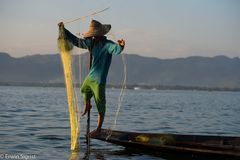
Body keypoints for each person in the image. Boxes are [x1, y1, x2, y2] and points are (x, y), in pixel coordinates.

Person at [58, 20, 125, 137]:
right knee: (84, 89)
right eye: (92, 35)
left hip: (99, 80)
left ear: (100, 35)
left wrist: (121, 46)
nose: (92, 37)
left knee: (100, 104)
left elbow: (117, 50)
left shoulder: (108, 45)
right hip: (91, 76)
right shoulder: (92, 43)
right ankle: (88, 104)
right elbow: (76, 41)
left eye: (94, 35)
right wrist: (64, 30)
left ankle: (98, 129)